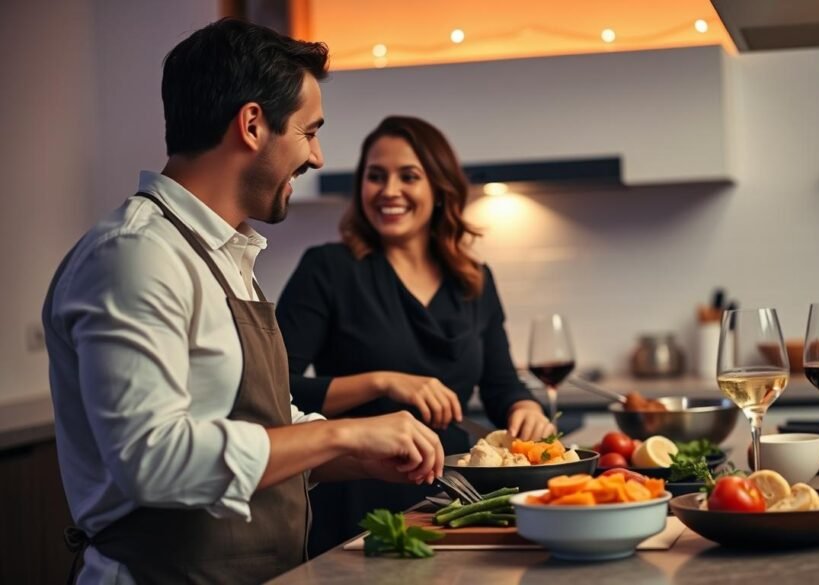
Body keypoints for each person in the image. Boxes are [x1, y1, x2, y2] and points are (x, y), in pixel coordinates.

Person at [42, 20, 444, 585]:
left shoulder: (223, 253)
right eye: (309, 132)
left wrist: (359, 456)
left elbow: (259, 427)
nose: (317, 157)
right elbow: (152, 459)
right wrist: (344, 433)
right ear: (252, 124)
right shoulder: (135, 255)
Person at [275, 115, 555, 552]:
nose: (389, 190)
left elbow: (501, 385)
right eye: (375, 176)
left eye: (408, 176)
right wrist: (383, 382)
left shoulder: (474, 281)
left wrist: (525, 407)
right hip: (355, 502)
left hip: (457, 498)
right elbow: (276, 390)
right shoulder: (327, 269)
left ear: (439, 189)